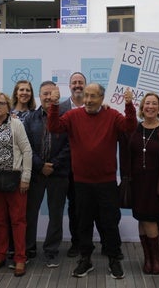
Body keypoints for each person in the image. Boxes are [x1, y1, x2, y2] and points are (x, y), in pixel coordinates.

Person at [48, 83, 137, 280]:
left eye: (93, 96)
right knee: (83, 223)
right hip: (81, 182)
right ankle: (85, 259)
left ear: (101, 98)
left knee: (110, 223)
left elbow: (130, 127)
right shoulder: (73, 116)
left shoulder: (112, 115)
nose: (88, 100)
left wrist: (129, 105)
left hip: (106, 182)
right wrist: (54, 105)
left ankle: (114, 259)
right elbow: (54, 127)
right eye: (86, 95)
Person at [119, 92, 159, 275]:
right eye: (147, 103)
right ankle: (149, 259)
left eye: (154, 103)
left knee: (150, 219)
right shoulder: (133, 129)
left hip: (158, 182)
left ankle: (154, 258)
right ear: (142, 107)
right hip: (137, 183)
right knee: (142, 218)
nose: (150, 106)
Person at [0, 92, 32, 277]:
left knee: (18, 221)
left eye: (2, 103)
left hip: (15, 180)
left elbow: (27, 151)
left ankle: (20, 258)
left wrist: (25, 177)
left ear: (8, 106)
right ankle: (0, 255)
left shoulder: (16, 124)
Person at [23, 81, 71, 268]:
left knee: (56, 214)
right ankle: (29, 248)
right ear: (39, 96)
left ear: (57, 95)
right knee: (30, 213)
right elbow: (26, 145)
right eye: (45, 93)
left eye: (52, 93)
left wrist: (54, 164)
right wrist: (40, 165)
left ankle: (51, 251)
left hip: (58, 173)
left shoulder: (67, 117)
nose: (49, 97)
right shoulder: (30, 118)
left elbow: (70, 145)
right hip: (36, 173)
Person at [59, 72, 86, 257]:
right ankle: (77, 243)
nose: (77, 85)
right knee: (74, 206)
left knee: (93, 207)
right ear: (69, 86)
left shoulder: (97, 106)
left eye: (80, 82)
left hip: (90, 166)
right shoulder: (60, 108)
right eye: (74, 82)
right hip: (67, 167)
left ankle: (96, 242)